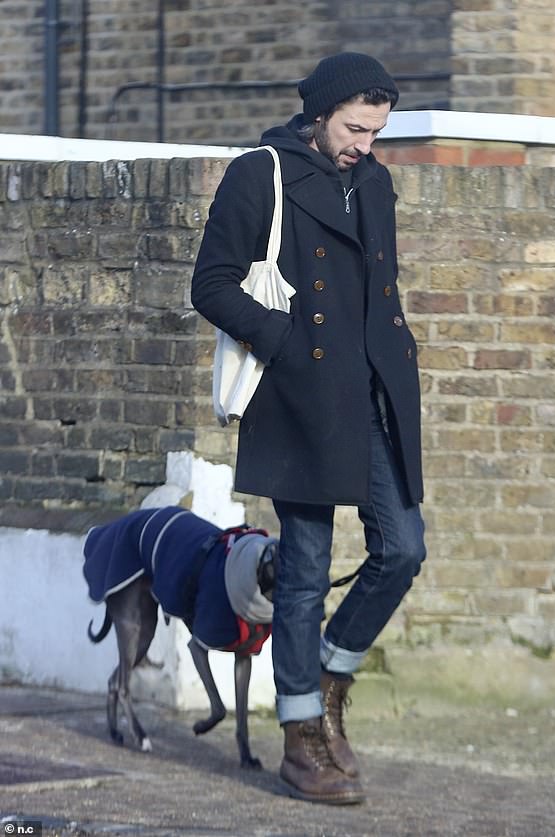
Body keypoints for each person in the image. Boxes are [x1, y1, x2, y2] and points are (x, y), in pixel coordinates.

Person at [191, 52, 427, 805]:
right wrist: (287, 341)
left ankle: (329, 680)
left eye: (376, 130)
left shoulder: (375, 181)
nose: (365, 142)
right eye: (355, 127)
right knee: (303, 572)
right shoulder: (259, 173)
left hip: (370, 393)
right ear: (320, 114)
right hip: (298, 393)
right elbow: (211, 283)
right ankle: (299, 738)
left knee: (403, 548)